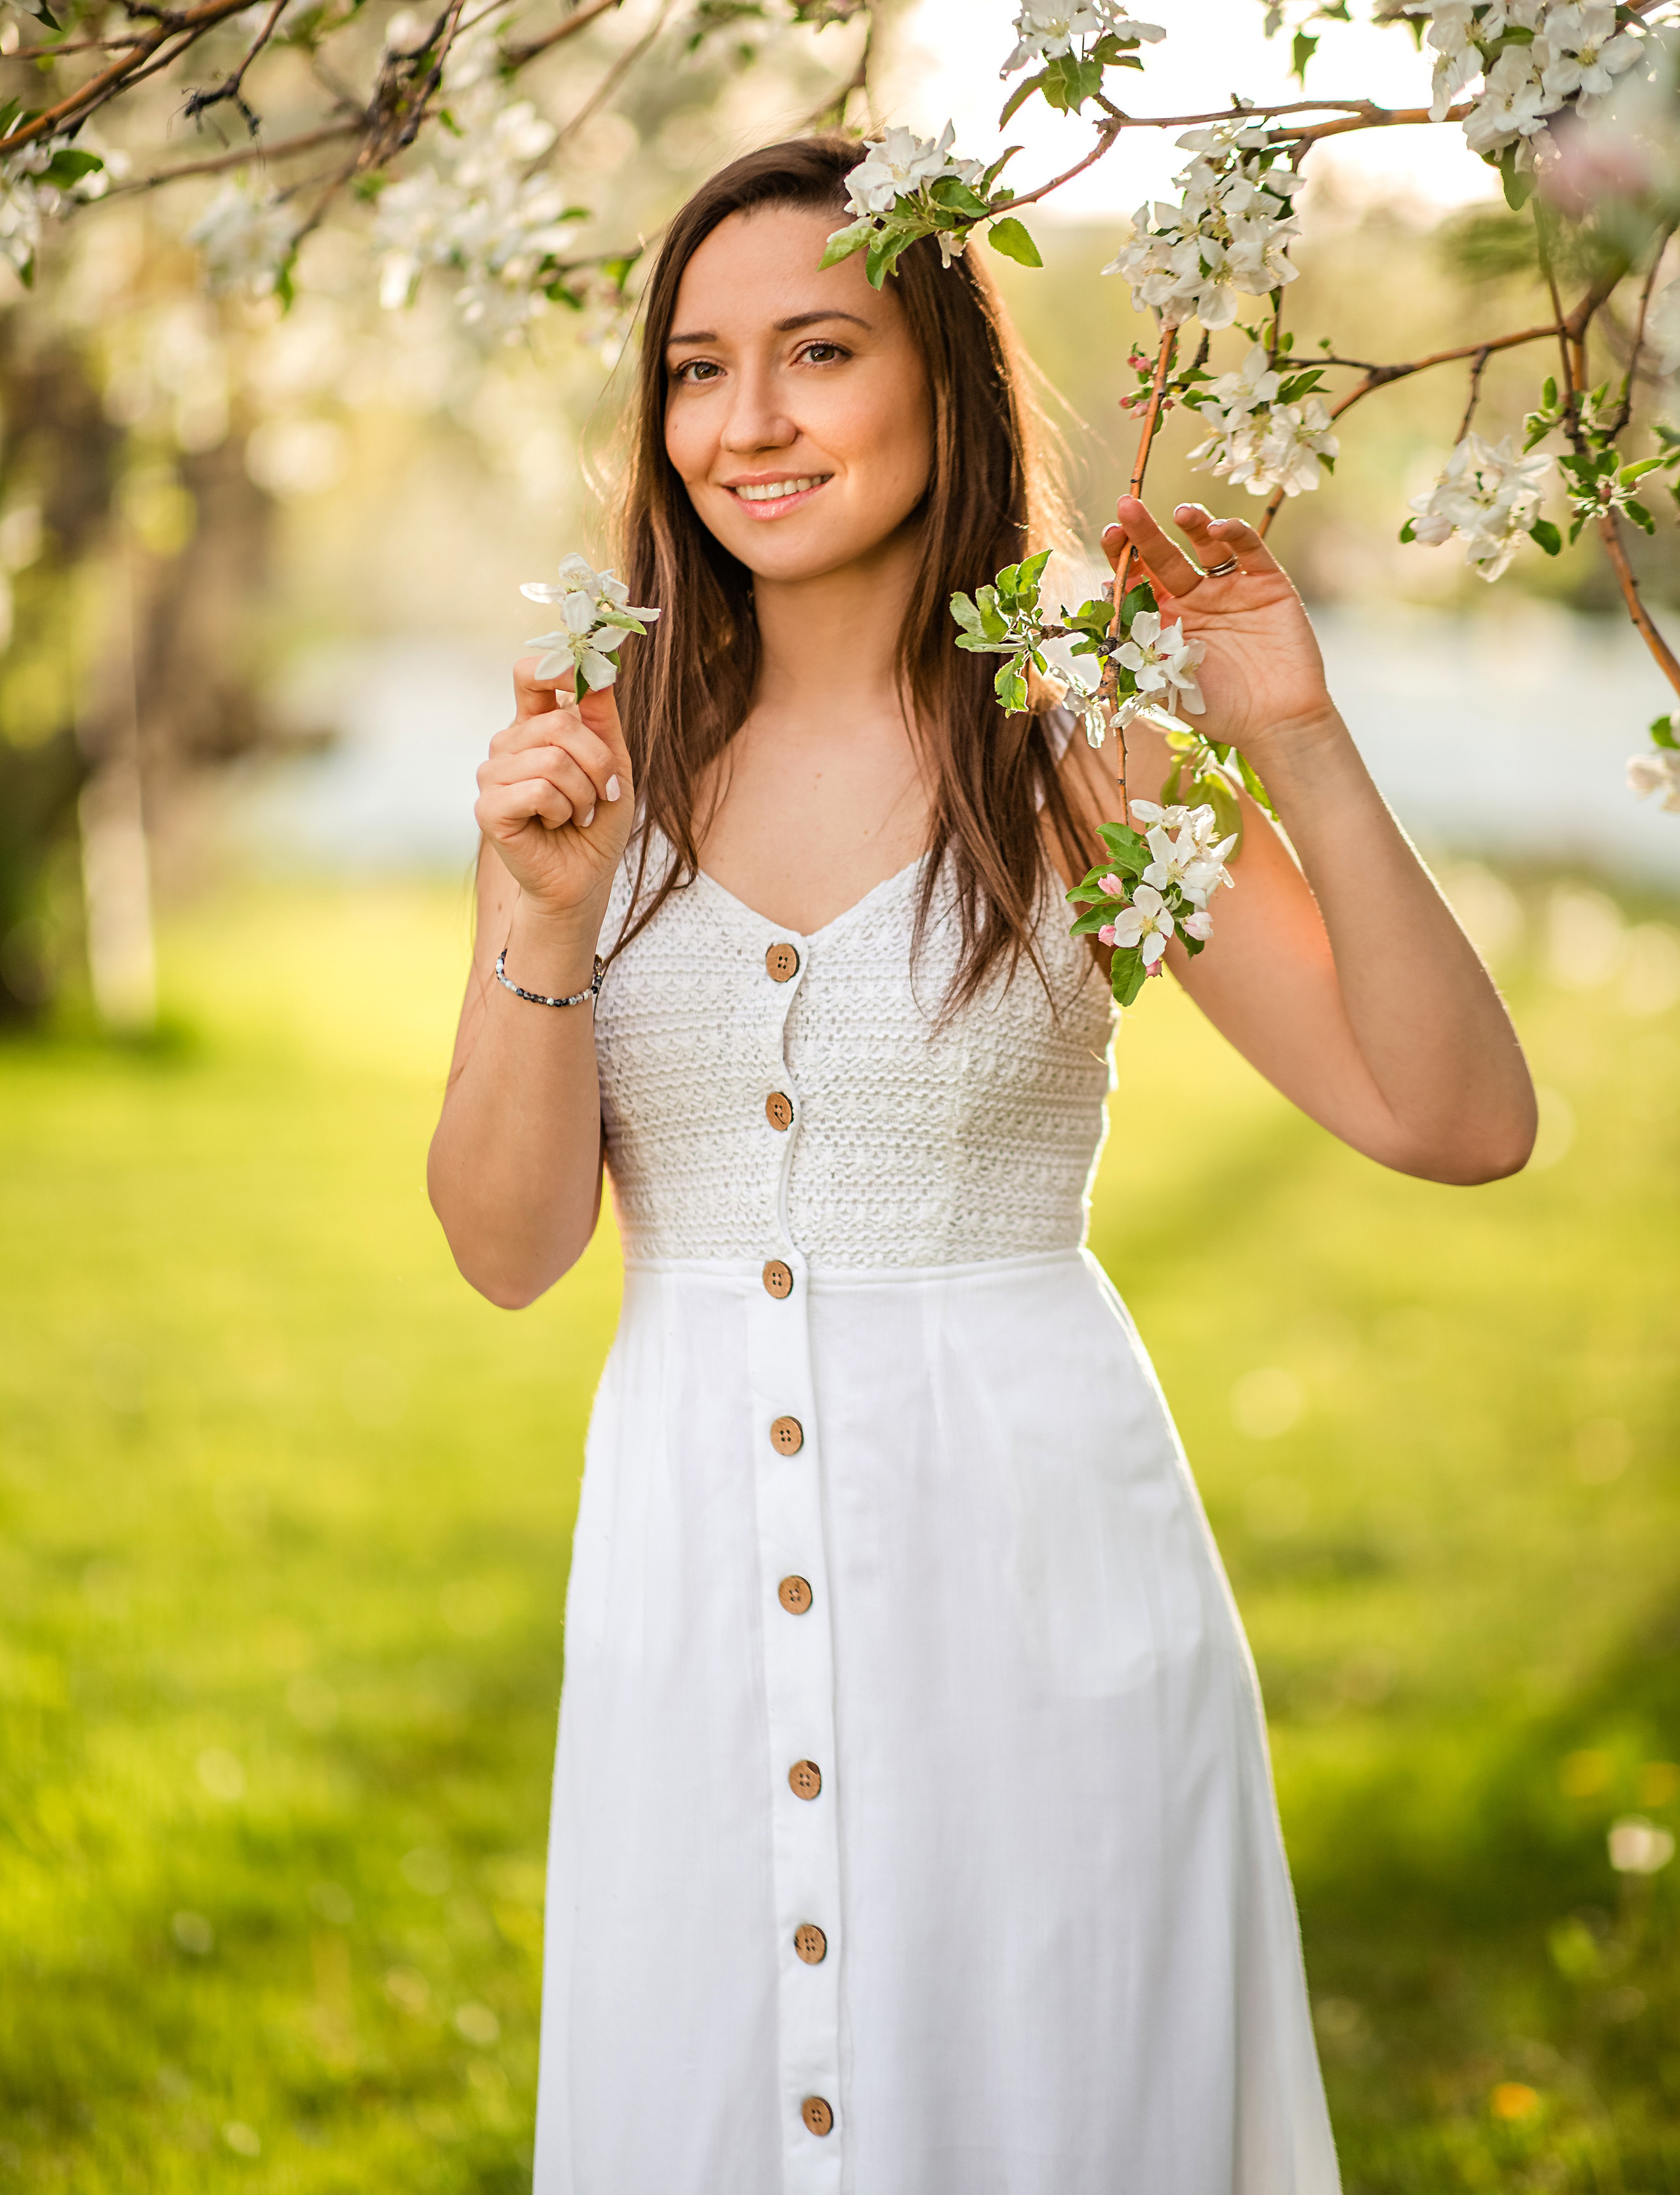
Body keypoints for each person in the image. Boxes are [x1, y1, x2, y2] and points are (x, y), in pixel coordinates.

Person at [428, 135, 1536, 2195]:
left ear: (941, 375)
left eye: (817, 351)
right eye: (694, 368)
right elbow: (506, 1251)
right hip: (683, 1601)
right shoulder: (592, 757)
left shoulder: (1075, 749)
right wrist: (543, 920)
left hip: (1037, 1607)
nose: (745, 422)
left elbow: (1458, 1123)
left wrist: (1292, 733)